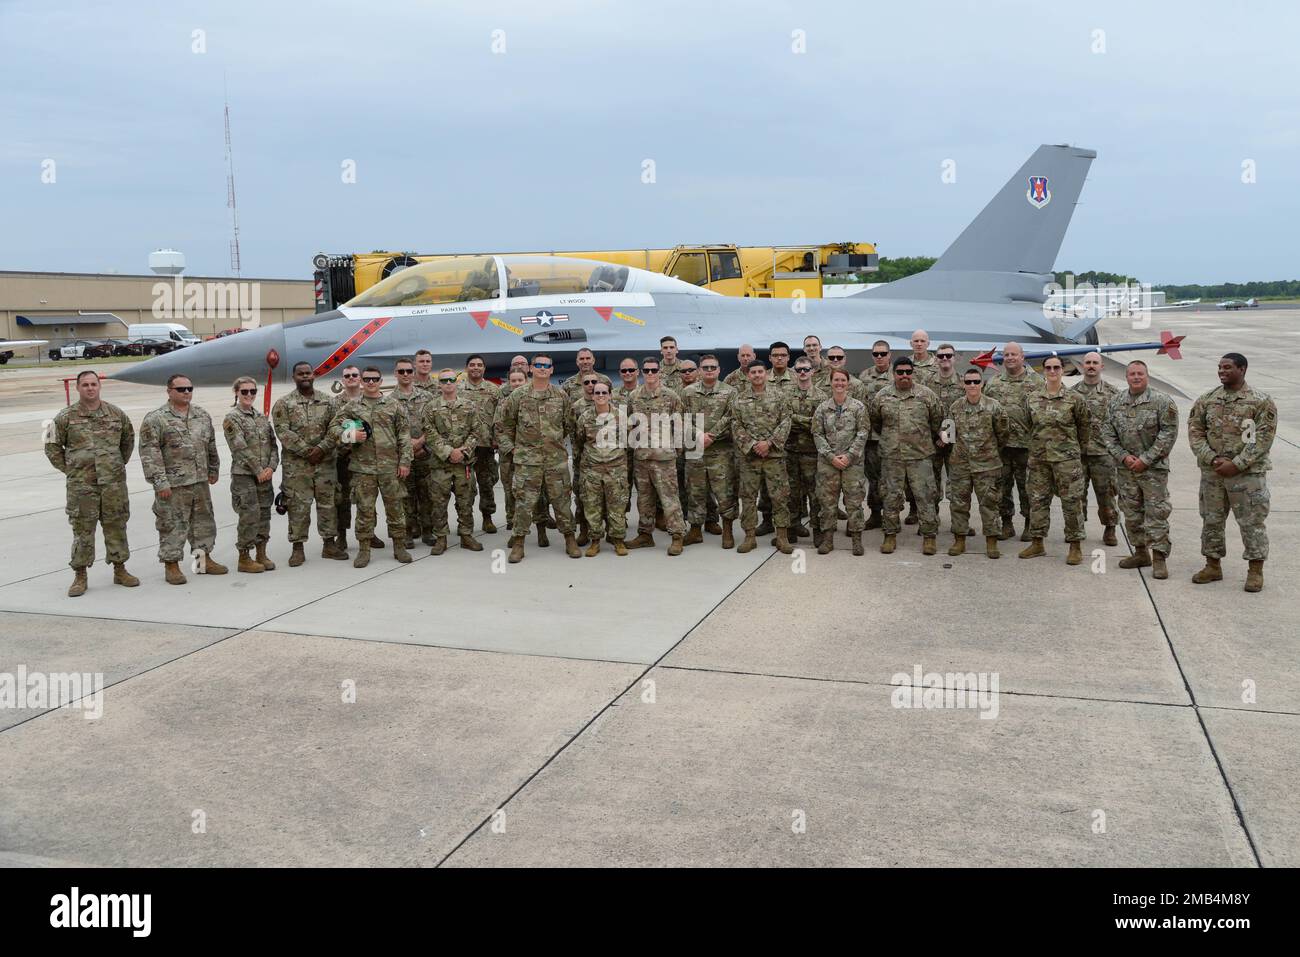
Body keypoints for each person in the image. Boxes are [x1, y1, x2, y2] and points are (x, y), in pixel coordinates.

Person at [1187, 352, 1276, 592]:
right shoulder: (1207, 400)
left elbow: (1263, 438)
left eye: (1227, 367)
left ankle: (1255, 571)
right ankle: (1212, 565)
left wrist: (1237, 464)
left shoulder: (1260, 401)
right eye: (1219, 367)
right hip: (1213, 474)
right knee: (1212, 521)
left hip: (1246, 476)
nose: (1221, 371)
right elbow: (1195, 432)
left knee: (1251, 523)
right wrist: (1213, 458)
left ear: (1242, 369)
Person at [45, 370, 139, 596]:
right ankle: (80, 575)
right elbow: (51, 446)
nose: (90, 388)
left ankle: (120, 569)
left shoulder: (116, 414)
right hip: (82, 487)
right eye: (85, 385)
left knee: (116, 526)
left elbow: (128, 441)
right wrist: (71, 469)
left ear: (99, 386)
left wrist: (115, 465)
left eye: (93, 384)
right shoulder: (64, 417)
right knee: (82, 530)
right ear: (78, 388)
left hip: (113, 485)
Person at [139, 373, 226, 583]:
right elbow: (150, 453)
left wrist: (213, 469)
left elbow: (210, 444)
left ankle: (202, 562)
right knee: (172, 524)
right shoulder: (156, 419)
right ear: (169, 391)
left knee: (203, 523)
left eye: (189, 388)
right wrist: (159, 482)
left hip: (199, 480)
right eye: (181, 389)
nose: (187, 392)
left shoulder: (202, 415)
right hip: (173, 484)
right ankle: (172, 566)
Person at [328, 367, 413, 568]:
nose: (371, 382)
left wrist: (405, 462)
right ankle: (364, 550)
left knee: (396, 509)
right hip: (363, 469)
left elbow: (404, 435)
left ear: (381, 381)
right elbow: (333, 428)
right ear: (362, 382)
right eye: (367, 379)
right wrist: (350, 435)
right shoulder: (353, 406)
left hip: (390, 468)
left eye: (375, 379)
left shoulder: (393, 405)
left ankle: (399, 546)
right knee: (365, 511)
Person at [499, 353, 580, 562]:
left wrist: (552, 444)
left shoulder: (561, 396)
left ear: (552, 370)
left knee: (561, 502)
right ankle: (518, 544)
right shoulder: (518, 396)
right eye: (538, 365)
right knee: (524, 504)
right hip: (527, 462)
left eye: (547, 365)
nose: (543, 368)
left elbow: (568, 425)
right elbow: (503, 425)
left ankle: (569, 539)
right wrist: (513, 450)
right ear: (531, 369)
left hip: (555, 461)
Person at [1102, 360, 1179, 580]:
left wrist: (1145, 460)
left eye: (1140, 374)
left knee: (1156, 514)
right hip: (1126, 470)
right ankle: (1140, 552)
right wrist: (1124, 457)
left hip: (1153, 471)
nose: (1136, 377)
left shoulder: (1162, 402)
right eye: (1132, 374)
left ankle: (1159, 559)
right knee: (1131, 512)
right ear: (1126, 377)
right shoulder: (1116, 402)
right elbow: (1107, 433)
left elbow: (1168, 435)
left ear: (1147, 375)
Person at [272, 362, 345, 565]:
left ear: (314, 376)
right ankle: (297, 548)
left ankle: (329, 545)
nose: (305, 376)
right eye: (300, 374)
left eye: (308, 373)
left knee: (328, 504)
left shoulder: (329, 402)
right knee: (297, 507)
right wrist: (306, 451)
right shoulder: (283, 404)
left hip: (325, 464)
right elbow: (283, 432)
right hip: (297, 467)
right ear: (294, 377)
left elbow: (336, 427)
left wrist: (322, 448)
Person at [869, 357, 943, 555]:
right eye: (900, 372)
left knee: (925, 496)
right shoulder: (882, 396)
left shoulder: (926, 395)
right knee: (890, 497)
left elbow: (937, 421)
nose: (904, 375)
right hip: (892, 456)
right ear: (893, 373)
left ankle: (929, 537)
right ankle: (890, 535)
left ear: (913, 373)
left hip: (920, 456)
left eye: (908, 372)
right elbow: (876, 422)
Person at [1019, 356, 1089, 565]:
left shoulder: (1074, 398)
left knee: (1072, 502)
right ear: (1043, 371)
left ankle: (1075, 545)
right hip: (1039, 459)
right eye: (1048, 368)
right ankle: (1037, 542)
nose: (1052, 371)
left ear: (1062, 370)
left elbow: (1084, 427)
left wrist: (1075, 450)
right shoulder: (1032, 398)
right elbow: (1027, 424)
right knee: (1038, 501)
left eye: (1056, 367)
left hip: (1066, 460)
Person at [626, 357, 687, 555]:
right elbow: (630, 424)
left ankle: (677, 535)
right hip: (642, 457)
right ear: (642, 372)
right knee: (644, 499)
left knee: (669, 499)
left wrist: (675, 452)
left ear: (659, 371)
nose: (650, 374)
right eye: (647, 370)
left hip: (664, 458)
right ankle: (645, 535)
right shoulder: (634, 396)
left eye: (654, 370)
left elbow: (679, 426)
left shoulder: (671, 396)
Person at [731, 362, 793, 554]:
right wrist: (752, 445)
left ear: (765, 374)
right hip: (750, 458)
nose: (757, 375)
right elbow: (736, 425)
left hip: (774, 456)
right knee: (748, 497)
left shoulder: (780, 396)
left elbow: (786, 420)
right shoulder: (739, 399)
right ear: (748, 375)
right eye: (753, 372)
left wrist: (769, 443)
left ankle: (782, 536)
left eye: (760, 372)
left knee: (779, 496)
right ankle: (749, 537)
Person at [984, 342, 1043, 541]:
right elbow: (986, 411)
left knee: (1028, 488)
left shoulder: (1037, 382)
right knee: (1001, 487)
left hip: (1027, 446)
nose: (1010, 358)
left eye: (1014, 354)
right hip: (1002, 446)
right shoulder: (993, 382)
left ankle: (1029, 523)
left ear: (1022, 357)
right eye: (1007, 354)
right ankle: (1006, 523)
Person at [946, 369, 1007, 558]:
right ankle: (960, 540)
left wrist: (989, 453)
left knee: (989, 504)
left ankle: (991, 542)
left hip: (987, 466)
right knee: (958, 504)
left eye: (976, 381)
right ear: (963, 384)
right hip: (960, 465)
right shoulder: (955, 407)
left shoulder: (994, 407)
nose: (972, 385)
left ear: (982, 383)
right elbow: (949, 434)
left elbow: (1003, 434)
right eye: (969, 382)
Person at [424, 369, 484, 554]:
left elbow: (477, 431)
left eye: (451, 380)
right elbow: (430, 433)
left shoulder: (469, 406)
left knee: (465, 501)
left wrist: (462, 452)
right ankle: (441, 538)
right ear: (439, 384)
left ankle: (466, 535)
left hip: (463, 464)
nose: (448, 383)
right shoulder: (431, 407)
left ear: (457, 382)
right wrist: (449, 452)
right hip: (440, 465)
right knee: (439, 503)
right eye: (444, 380)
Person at [223, 376, 280, 573]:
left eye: (252, 392)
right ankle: (244, 557)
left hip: (265, 475)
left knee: (264, 514)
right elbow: (239, 448)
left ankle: (261, 553)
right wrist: (258, 470)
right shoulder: (232, 418)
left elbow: (274, 446)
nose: (249, 395)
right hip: (245, 476)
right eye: (244, 391)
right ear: (236, 393)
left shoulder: (261, 418)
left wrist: (271, 467)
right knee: (249, 515)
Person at [681, 354, 737, 548]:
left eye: (713, 367)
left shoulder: (730, 392)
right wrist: (699, 436)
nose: (709, 370)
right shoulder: (688, 392)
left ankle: (727, 529)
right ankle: (695, 530)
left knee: (724, 491)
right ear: (699, 370)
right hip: (695, 450)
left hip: (720, 451)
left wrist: (710, 435)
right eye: (705, 367)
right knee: (695, 491)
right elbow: (682, 419)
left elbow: (730, 417)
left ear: (719, 370)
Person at [812, 369, 869, 556]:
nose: (839, 383)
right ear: (830, 382)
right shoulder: (822, 408)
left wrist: (849, 456)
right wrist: (831, 456)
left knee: (854, 502)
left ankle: (856, 540)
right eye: (836, 380)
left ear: (848, 383)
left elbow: (863, 433)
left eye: (843, 380)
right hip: (828, 463)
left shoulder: (858, 407)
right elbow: (817, 434)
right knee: (828, 503)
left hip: (852, 463)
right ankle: (827, 540)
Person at [1072, 351, 1121, 546]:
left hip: (1103, 454)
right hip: (1079, 453)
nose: (1091, 366)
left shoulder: (1113, 393)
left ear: (1102, 366)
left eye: (1095, 363)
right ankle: (1078, 528)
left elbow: (1120, 423)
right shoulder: (1073, 393)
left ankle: (1110, 529)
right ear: (1082, 366)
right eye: (1087, 363)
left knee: (1106, 493)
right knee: (1077, 494)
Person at [577, 382, 630, 556]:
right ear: (592, 396)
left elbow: (627, 440)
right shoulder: (585, 417)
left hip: (615, 468)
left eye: (604, 392)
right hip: (592, 468)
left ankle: (618, 540)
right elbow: (580, 440)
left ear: (610, 395)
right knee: (592, 506)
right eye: (597, 392)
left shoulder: (621, 417)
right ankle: (595, 541)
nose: (600, 395)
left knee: (617, 506)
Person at [391, 357, 436, 547]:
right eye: (401, 371)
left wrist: (420, 442)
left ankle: (427, 531)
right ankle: (408, 532)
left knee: (427, 495)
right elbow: (388, 428)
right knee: (405, 496)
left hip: (425, 453)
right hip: (403, 457)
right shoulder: (389, 401)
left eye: (409, 371)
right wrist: (409, 445)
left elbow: (435, 422)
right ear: (396, 374)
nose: (406, 375)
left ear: (413, 373)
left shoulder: (427, 397)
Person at [333, 365, 377, 552]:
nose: (351, 378)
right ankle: (341, 536)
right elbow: (332, 429)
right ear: (342, 380)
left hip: (366, 458)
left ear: (360, 378)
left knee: (368, 499)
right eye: (347, 376)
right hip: (343, 458)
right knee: (342, 499)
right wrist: (350, 438)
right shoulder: (334, 403)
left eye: (354, 375)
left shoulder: (369, 400)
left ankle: (370, 533)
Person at [786, 357, 826, 543]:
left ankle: (817, 530)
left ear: (812, 371)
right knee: (791, 493)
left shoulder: (821, 397)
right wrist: (807, 422)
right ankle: (792, 529)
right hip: (790, 452)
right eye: (799, 369)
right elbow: (784, 420)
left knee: (815, 493)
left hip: (812, 453)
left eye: (806, 369)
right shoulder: (784, 395)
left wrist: (796, 420)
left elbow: (820, 424)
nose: (802, 373)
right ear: (794, 372)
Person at [461, 354, 502, 533]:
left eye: (479, 365)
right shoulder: (459, 389)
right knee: (466, 487)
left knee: (487, 483)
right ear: (467, 368)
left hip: (486, 445)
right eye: (472, 365)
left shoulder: (494, 390)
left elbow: (499, 417)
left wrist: (496, 438)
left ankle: (487, 518)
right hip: (465, 447)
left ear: (484, 369)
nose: (475, 367)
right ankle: (465, 520)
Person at [928, 344, 964, 520]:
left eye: (948, 355)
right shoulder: (927, 383)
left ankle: (958, 523)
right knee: (931, 485)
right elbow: (922, 413)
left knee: (956, 484)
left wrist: (948, 436)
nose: (944, 359)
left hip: (956, 444)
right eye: (940, 356)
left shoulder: (964, 382)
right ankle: (931, 521)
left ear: (955, 357)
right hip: (933, 442)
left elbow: (967, 412)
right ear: (936, 359)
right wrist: (938, 436)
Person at [860, 339, 893, 528]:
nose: (879, 357)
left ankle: (892, 514)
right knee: (873, 478)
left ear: (890, 355)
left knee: (891, 478)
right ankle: (875, 513)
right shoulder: (865, 376)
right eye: (876, 354)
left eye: (883, 353)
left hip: (892, 437)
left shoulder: (897, 375)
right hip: (872, 438)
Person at [494, 368, 529, 531]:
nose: (516, 384)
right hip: (509, 455)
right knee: (509, 489)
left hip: (530, 454)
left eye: (520, 380)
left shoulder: (532, 400)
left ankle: (533, 519)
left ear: (525, 381)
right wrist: (512, 449)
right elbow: (498, 429)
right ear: (509, 383)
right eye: (513, 381)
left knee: (529, 489)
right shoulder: (503, 403)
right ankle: (511, 519)